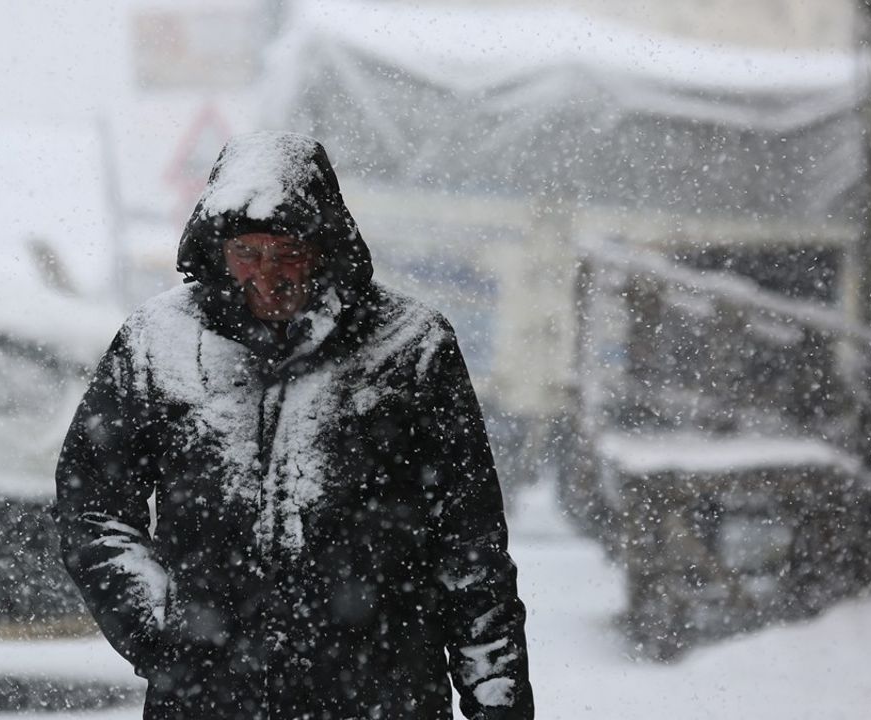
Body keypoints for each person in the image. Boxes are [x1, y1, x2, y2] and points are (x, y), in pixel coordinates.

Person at [54, 131, 533, 719]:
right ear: (216, 250)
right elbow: (93, 505)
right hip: (210, 697)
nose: (267, 276)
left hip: (380, 695)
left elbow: (467, 541)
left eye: (288, 254)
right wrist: (158, 630)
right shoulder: (157, 344)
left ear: (326, 247)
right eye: (246, 253)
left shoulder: (410, 346)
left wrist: (497, 698)